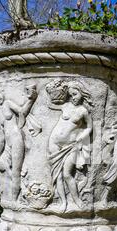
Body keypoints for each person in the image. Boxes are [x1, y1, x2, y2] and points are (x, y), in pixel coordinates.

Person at [47, 81, 93, 212]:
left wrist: (82, 136)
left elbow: (90, 127)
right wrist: (54, 89)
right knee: (58, 175)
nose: (73, 97)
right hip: (54, 143)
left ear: (82, 93)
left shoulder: (83, 111)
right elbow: (49, 104)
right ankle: (63, 202)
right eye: (71, 94)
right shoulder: (65, 105)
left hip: (71, 145)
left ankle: (77, 200)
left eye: (75, 94)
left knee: (67, 174)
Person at [0, 85, 38, 202]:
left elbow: (22, 112)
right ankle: (11, 197)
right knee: (1, 165)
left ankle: (14, 202)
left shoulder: (8, 103)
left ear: (4, 94)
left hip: (16, 139)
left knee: (15, 172)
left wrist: (31, 100)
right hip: (8, 144)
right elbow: (1, 137)